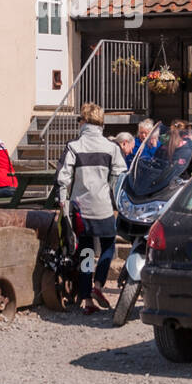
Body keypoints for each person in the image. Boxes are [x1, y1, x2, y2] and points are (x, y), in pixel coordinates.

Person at [56, 103, 126, 313]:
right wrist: (118, 200)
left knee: (86, 251)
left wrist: (63, 200)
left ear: (84, 122)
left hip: (81, 207)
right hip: (103, 206)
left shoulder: (74, 146)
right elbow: (119, 176)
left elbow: (63, 177)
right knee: (108, 247)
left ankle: (86, 298)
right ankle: (98, 285)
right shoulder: (112, 147)